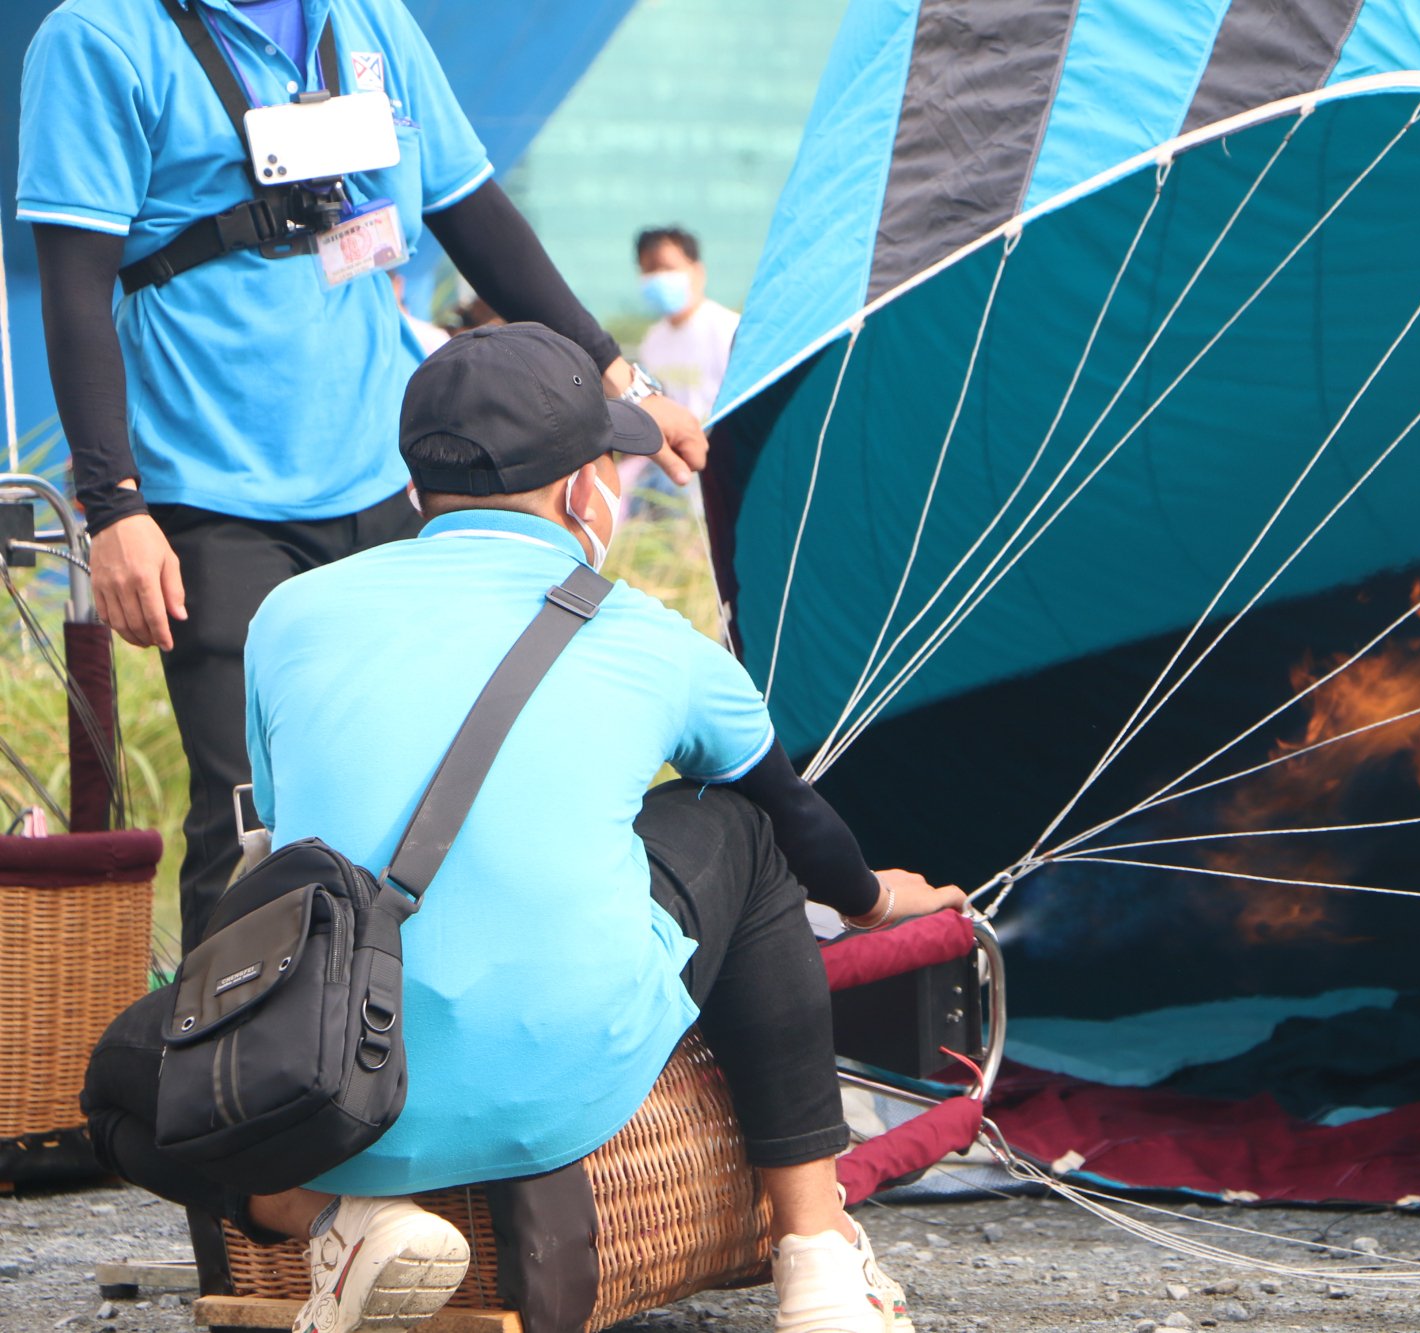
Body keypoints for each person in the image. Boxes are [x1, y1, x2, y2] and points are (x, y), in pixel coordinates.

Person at [80, 323, 969, 1333]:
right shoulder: (649, 639)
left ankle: (332, 1214)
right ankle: (815, 1260)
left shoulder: (291, 614)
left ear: (419, 487)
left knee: (115, 1084)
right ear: (583, 490)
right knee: (741, 826)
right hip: (564, 1088)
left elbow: (299, 846)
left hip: (327, 1086)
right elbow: (795, 817)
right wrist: (872, 897)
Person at [18, 0, 705, 953]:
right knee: (251, 821)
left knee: (426, 792)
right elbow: (74, 291)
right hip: (211, 499)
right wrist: (115, 508)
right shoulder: (99, 36)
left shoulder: (370, 17)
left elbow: (475, 216)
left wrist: (620, 374)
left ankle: (388, 1064)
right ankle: (221, 1090)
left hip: (386, 484)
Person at [635, 224, 738, 421]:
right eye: (649, 269)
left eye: (668, 268)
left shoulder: (730, 330)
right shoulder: (652, 341)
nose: (659, 277)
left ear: (698, 271)